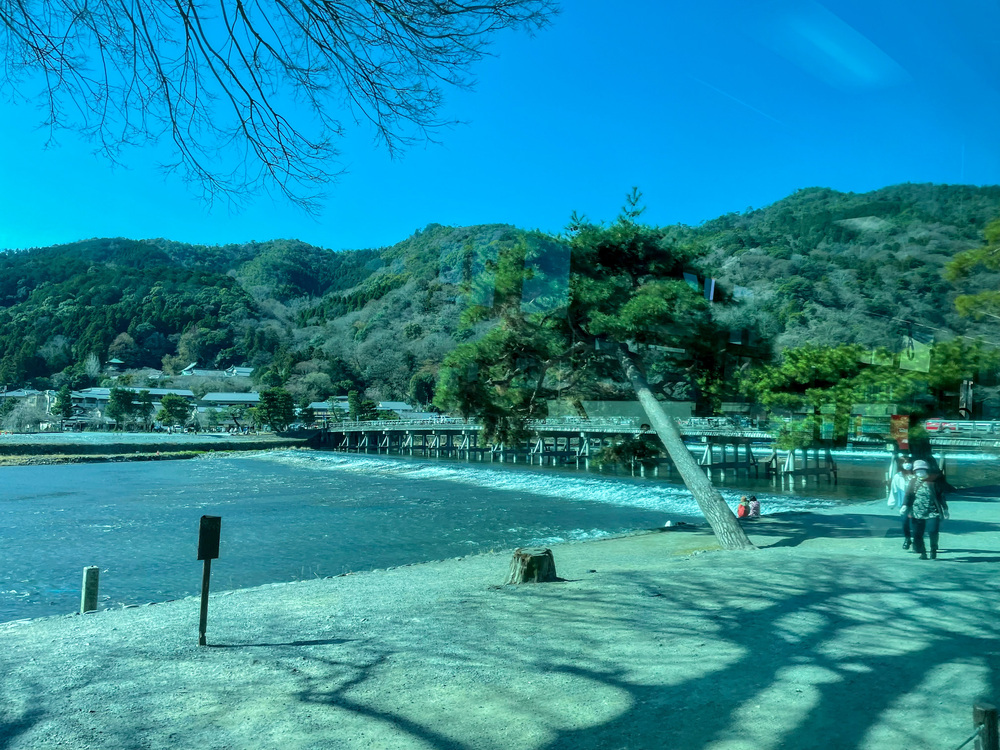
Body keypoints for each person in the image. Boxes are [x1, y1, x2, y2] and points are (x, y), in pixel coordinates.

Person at [900, 459, 950, 559]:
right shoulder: (913, 481)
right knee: (917, 534)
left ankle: (933, 549)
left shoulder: (933, 481)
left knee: (933, 531)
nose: (919, 472)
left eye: (921, 470)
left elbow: (940, 496)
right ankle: (922, 552)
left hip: (932, 511)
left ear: (926, 470)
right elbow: (909, 495)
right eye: (917, 471)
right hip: (917, 512)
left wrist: (945, 509)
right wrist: (905, 505)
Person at [888, 461, 914, 548]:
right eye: (905, 462)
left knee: (916, 522)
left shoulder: (917, 475)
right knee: (905, 521)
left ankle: (917, 540)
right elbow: (893, 490)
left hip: (916, 502)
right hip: (903, 502)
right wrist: (892, 502)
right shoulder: (898, 476)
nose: (907, 464)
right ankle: (907, 539)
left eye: (909, 462)